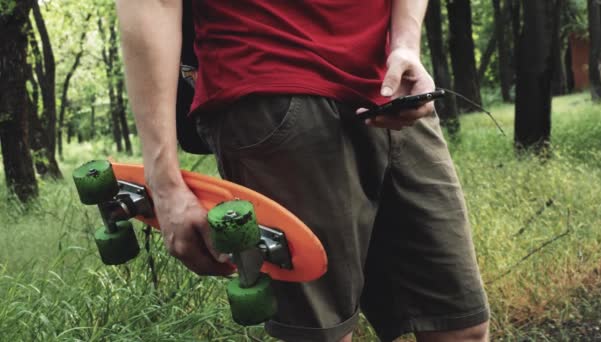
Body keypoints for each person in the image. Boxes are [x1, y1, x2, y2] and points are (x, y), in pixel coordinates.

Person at [116, 1, 490, 341]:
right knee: (321, 335)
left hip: (393, 94)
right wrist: (164, 184)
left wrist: (405, 44)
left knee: (461, 326)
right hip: (271, 91)